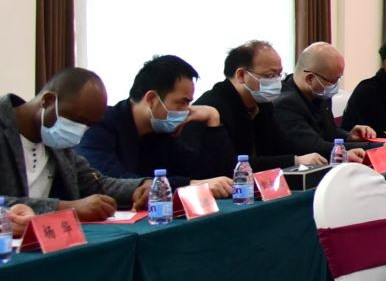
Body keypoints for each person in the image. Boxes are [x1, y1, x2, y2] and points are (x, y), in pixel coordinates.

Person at [0, 69, 149, 218]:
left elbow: (92, 183)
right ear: (48, 101)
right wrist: (65, 208)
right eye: (78, 120)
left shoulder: (54, 140)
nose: (80, 131)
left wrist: (139, 187)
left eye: (89, 125)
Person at [78, 55, 235, 195]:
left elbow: (206, 177)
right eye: (182, 102)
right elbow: (114, 182)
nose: (186, 110)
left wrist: (213, 119)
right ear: (151, 99)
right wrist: (189, 185)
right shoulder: (99, 125)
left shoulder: (162, 132)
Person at [192, 40, 317, 171]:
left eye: (279, 75)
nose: (276, 82)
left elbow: (283, 147)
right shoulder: (214, 107)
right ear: (241, 75)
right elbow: (231, 165)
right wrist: (294, 160)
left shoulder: (262, 105)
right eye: (269, 75)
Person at [276, 42, 377, 159]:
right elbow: (317, 146)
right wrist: (377, 148)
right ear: (310, 78)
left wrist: (348, 136)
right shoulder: (285, 104)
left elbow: (330, 132)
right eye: (333, 81)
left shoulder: (319, 94)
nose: (335, 86)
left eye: (338, 79)